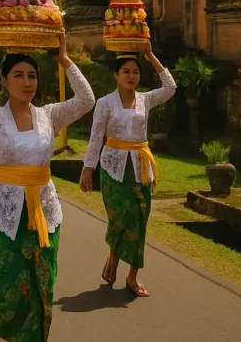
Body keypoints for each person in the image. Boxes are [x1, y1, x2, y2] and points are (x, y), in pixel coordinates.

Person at [0, 31, 95, 342]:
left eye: (32, 75)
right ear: (4, 81)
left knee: (41, 285)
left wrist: (64, 59)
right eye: (18, 75)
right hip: (3, 216)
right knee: (7, 289)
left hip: (44, 213)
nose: (27, 81)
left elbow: (87, 100)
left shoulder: (49, 116)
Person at [81, 45, 175, 298]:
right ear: (116, 74)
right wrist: (87, 169)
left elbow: (170, 88)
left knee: (140, 219)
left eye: (135, 72)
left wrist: (151, 57)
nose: (131, 76)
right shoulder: (104, 103)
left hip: (141, 167)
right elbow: (95, 137)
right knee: (120, 217)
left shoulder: (146, 99)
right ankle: (113, 255)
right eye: (126, 71)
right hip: (113, 167)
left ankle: (132, 275)